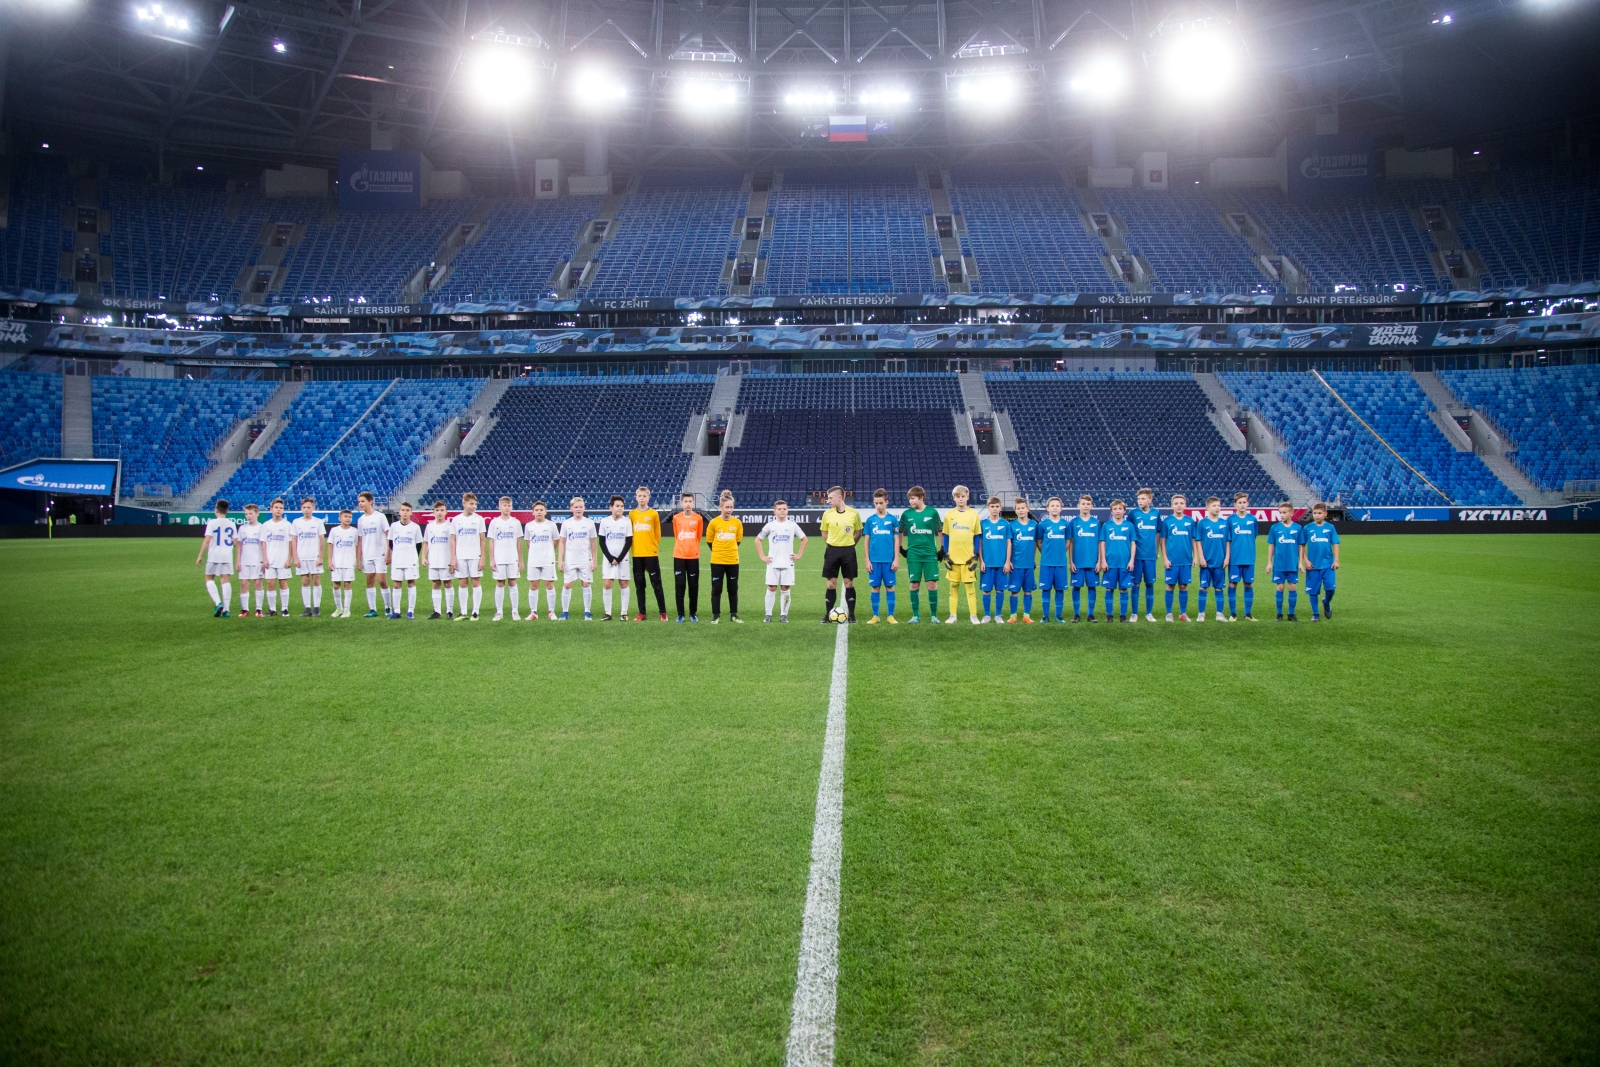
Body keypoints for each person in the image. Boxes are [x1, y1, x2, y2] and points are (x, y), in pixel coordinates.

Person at [758, 499, 807, 623]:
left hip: (788, 562)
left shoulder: (792, 525)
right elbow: (758, 540)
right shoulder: (770, 525)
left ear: (787, 511)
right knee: (772, 587)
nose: (782, 511)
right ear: (774, 511)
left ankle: (783, 614)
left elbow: (804, 539)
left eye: (784, 509)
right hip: (772, 562)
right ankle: (768, 614)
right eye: (779, 509)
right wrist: (762, 556)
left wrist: (799, 554)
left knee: (785, 588)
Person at [897, 486, 942, 623]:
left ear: (921, 498)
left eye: (913, 498)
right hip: (913, 554)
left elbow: (940, 531)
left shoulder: (933, 513)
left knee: (931, 584)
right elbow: (900, 531)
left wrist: (943, 549)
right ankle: (915, 615)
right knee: (914, 584)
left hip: (929, 554)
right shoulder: (906, 514)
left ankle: (933, 615)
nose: (910, 501)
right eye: (909, 499)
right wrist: (900, 548)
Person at [819, 486, 863, 623]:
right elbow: (824, 533)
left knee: (848, 583)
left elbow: (858, 532)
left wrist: (850, 545)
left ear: (840, 497)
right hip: (832, 551)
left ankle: (852, 615)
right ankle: (827, 615)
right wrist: (832, 545)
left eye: (831, 498)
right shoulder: (827, 514)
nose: (828, 500)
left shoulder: (854, 513)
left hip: (848, 551)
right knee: (831, 584)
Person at [940, 484, 982, 625]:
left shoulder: (973, 515)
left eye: (963, 496)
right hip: (953, 558)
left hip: (968, 558)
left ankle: (973, 615)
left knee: (970, 587)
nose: (961, 499)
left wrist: (975, 555)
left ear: (967, 497)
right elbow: (945, 535)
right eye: (958, 497)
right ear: (954, 498)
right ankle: (953, 615)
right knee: (953, 586)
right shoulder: (949, 515)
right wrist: (946, 554)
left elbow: (977, 536)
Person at [629, 486, 668, 622]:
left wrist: (653, 548)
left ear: (648, 498)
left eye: (644, 496)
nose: (641, 498)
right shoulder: (632, 514)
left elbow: (657, 534)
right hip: (637, 554)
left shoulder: (653, 514)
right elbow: (630, 535)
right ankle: (642, 613)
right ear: (636, 497)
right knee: (640, 585)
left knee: (657, 584)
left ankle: (663, 612)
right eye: (639, 496)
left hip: (651, 554)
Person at [862, 488, 900, 624]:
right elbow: (866, 541)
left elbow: (897, 540)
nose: (878, 506)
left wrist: (896, 558)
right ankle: (875, 616)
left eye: (881, 503)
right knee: (875, 587)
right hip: (874, 560)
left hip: (889, 561)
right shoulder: (870, 520)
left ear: (886, 502)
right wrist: (867, 560)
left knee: (890, 587)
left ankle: (890, 616)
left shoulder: (893, 520)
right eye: (876, 503)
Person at [706, 491, 744, 624]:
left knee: (733, 589)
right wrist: (719, 551)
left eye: (731, 507)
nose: (729, 510)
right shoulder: (714, 523)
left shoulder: (737, 523)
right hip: (717, 561)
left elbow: (738, 540)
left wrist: (729, 551)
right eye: (727, 507)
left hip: (733, 561)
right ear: (720, 507)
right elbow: (709, 541)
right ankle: (716, 615)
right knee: (716, 589)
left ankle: (734, 615)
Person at [1159, 494, 1197, 622]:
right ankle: (1169, 613)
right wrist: (1165, 558)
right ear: (1172, 506)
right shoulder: (1167, 521)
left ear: (1185, 505)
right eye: (1176, 503)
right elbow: (1162, 541)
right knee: (1170, 586)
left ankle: (1183, 613)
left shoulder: (1190, 521)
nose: (1179, 505)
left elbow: (1193, 540)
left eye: (1181, 503)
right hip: (1172, 560)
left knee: (1183, 586)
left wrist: (1195, 556)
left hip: (1186, 560)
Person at [559, 497, 598, 620]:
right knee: (567, 585)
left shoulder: (589, 523)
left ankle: (587, 612)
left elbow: (593, 542)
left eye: (581, 507)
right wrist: (560, 559)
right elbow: (562, 542)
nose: (578, 509)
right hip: (570, 559)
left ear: (584, 508)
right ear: (571, 508)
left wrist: (594, 559)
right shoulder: (566, 523)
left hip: (585, 559)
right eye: (576, 507)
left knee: (586, 584)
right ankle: (565, 612)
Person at [1099, 499, 1137, 623]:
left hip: (1124, 563)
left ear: (1124, 510)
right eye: (1115, 509)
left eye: (1120, 509)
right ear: (1111, 511)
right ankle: (1109, 616)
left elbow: (1133, 543)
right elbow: (1102, 543)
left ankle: (1122, 616)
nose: (1117, 511)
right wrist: (1103, 560)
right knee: (1109, 588)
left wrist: (1131, 560)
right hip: (1110, 563)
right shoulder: (1107, 525)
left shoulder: (1129, 526)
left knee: (1123, 589)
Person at [197, 498, 236, 617]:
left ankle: (218, 603)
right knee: (226, 579)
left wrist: (200, 555)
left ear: (216, 510)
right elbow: (235, 542)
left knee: (209, 578)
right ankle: (227, 609)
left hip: (214, 555)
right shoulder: (232, 523)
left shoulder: (212, 523)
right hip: (227, 556)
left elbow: (207, 539)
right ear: (227, 511)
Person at [1301, 503, 1341, 621]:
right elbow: (1302, 546)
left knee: (1330, 588)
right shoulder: (1307, 528)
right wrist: (1306, 560)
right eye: (1315, 513)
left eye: (1319, 513)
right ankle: (1316, 614)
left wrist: (1336, 560)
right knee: (1313, 591)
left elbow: (1335, 544)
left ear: (1325, 514)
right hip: (1313, 565)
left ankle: (1326, 602)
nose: (1317, 516)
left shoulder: (1330, 528)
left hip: (1328, 564)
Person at [355, 491, 391, 618]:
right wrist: (358, 559)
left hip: (380, 553)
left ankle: (387, 607)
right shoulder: (360, 520)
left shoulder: (380, 517)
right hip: (367, 554)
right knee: (369, 581)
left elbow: (388, 535)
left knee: (381, 581)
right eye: (359, 501)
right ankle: (372, 609)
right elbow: (360, 540)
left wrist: (388, 552)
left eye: (363, 501)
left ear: (371, 501)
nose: (360, 504)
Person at [1196, 496, 1231, 623]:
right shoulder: (1202, 523)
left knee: (1219, 588)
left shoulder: (1224, 523)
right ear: (1207, 508)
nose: (1217, 508)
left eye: (1218, 505)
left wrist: (1227, 557)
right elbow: (1198, 541)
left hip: (1220, 561)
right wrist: (1201, 557)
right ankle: (1201, 613)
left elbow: (1227, 541)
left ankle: (1219, 614)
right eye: (1214, 506)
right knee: (1203, 587)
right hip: (1206, 562)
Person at [599, 495, 634, 622]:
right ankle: (607, 613)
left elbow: (629, 541)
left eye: (622, 506)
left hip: (622, 559)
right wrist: (610, 557)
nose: (620, 508)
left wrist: (619, 558)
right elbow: (602, 541)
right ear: (611, 507)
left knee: (624, 583)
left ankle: (624, 613)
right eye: (617, 506)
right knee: (607, 584)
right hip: (608, 559)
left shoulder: (627, 521)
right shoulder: (605, 522)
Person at [488, 496, 523, 621]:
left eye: (509, 505)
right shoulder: (494, 522)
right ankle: (499, 612)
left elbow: (519, 542)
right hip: (499, 558)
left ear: (511, 507)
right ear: (499, 507)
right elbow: (491, 542)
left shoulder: (516, 522)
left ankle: (515, 611)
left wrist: (521, 560)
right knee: (500, 583)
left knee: (513, 582)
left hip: (512, 558)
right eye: (504, 505)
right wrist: (491, 559)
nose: (507, 507)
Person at [452, 492, 487, 621]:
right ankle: (463, 612)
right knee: (462, 582)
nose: (474, 506)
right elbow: (453, 539)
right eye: (471, 504)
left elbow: (483, 540)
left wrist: (483, 557)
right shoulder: (456, 520)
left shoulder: (479, 519)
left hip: (475, 555)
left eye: (475, 504)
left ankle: (475, 612)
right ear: (464, 503)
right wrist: (453, 558)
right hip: (461, 555)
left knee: (476, 581)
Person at [671, 492, 705, 622]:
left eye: (690, 501)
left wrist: (692, 547)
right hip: (679, 556)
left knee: (693, 586)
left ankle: (692, 613)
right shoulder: (676, 518)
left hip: (693, 556)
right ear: (681, 503)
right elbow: (676, 535)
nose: (688, 504)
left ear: (693, 503)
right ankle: (680, 614)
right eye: (685, 501)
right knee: (680, 585)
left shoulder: (698, 518)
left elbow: (698, 536)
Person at [523, 502, 559, 621]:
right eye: (537, 510)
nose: (539, 511)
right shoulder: (528, 526)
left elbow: (556, 541)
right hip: (533, 560)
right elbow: (528, 542)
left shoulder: (551, 525)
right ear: (533, 512)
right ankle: (533, 612)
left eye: (541, 509)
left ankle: (551, 612)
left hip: (548, 559)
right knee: (533, 585)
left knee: (549, 584)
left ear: (545, 512)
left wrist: (548, 551)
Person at [978, 495, 1012, 624]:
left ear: (1000, 508)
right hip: (987, 563)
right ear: (988, 508)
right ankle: (987, 615)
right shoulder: (983, 524)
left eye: (997, 506)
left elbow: (1009, 543)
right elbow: (979, 544)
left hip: (1001, 563)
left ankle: (998, 615)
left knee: (1000, 589)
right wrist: (981, 561)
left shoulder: (1005, 524)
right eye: (992, 507)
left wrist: (1007, 561)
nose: (994, 509)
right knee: (986, 590)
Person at [1036, 496, 1071, 623]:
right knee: (1046, 589)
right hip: (1046, 562)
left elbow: (1068, 542)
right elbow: (1039, 542)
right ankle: (1045, 615)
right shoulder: (1043, 525)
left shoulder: (1066, 524)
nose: (1055, 508)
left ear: (1061, 508)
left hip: (1061, 562)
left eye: (1057, 506)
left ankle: (1058, 615)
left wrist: (1061, 553)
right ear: (1047, 508)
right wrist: (1045, 553)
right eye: (1052, 506)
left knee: (1060, 589)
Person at [1267, 502, 1304, 621]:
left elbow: (1300, 546)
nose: (1282, 515)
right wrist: (1269, 562)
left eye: (1284, 512)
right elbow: (1271, 546)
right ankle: (1279, 614)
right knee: (1280, 588)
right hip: (1279, 564)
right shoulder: (1275, 528)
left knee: (1292, 587)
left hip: (1292, 564)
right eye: (1280, 513)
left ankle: (1291, 614)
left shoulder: (1297, 528)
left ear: (1291, 513)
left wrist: (1301, 562)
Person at [387, 502, 423, 619]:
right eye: (403, 510)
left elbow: (418, 545)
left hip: (411, 560)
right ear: (399, 512)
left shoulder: (415, 527)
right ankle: (396, 611)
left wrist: (413, 556)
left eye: (408, 510)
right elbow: (391, 543)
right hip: (397, 559)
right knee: (397, 584)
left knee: (411, 583)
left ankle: (410, 610)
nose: (405, 512)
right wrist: (397, 553)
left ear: (411, 513)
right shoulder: (394, 526)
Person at [1130, 488, 1161, 622]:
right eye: (1138, 499)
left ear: (1150, 500)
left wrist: (1156, 551)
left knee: (1149, 584)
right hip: (1136, 556)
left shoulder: (1156, 513)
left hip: (1150, 555)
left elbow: (1158, 533)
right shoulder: (1133, 514)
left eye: (1143, 499)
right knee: (1135, 584)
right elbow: (1129, 535)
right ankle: (1134, 613)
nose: (1140, 501)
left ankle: (1149, 613)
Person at [1069, 494, 1102, 622]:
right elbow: (1071, 542)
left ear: (1092, 506)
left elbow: (1100, 543)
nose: (1085, 506)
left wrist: (1099, 561)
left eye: (1088, 504)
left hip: (1092, 561)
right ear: (1078, 505)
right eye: (1083, 504)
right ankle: (1076, 614)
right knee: (1076, 587)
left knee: (1092, 587)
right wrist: (1071, 561)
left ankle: (1090, 614)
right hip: (1077, 561)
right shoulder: (1074, 522)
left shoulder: (1096, 522)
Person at [1227, 492, 1259, 622]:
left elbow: (1254, 537)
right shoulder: (1230, 520)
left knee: (1248, 584)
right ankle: (1233, 613)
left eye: (1244, 502)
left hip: (1249, 557)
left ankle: (1248, 613)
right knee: (1233, 584)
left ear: (1248, 503)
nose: (1242, 505)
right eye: (1239, 503)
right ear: (1235, 504)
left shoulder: (1253, 519)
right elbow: (1228, 540)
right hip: (1235, 558)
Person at [292, 497, 326, 617]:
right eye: (304, 507)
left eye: (309, 507)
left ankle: (316, 607)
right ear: (301, 508)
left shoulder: (318, 522)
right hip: (302, 556)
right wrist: (295, 557)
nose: (306, 509)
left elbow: (322, 540)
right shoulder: (296, 522)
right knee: (305, 581)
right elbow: (294, 541)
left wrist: (320, 557)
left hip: (314, 556)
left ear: (313, 508)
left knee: (316, 580)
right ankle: (307, 608)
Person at [260, 498, 294, 617]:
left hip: (283, 559)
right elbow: (263, 543)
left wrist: (289, 558)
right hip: (270, 559)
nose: (278, 510)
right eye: (276, 508)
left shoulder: (287, 525)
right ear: (271, 509)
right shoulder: (266, 525)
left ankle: (284, 608)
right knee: (270, 583)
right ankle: (272, 609)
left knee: (283, 582)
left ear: (283, 510)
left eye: (281, 508)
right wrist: (264, 558)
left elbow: (291, 543)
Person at [1007, 497, 1039, 623]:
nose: (1021, 510)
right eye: (1018, 508)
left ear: (1027, 509)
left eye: (1023, 508)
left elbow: (1035, 543)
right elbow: (1009, 544)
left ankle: (1026, 615)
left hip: (1029, 564)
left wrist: (1034, 559)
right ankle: (1013, 615)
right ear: (1015, 510)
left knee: (1028, 591)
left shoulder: (1034, 525)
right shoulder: (1012, 525)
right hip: (1016, 564)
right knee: (1014, 591)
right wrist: (1008, 561)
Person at [422, 501, 456, 619]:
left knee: (448, 583)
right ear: (433, 512)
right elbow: (426, 542)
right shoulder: (430, 526)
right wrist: (423, 557)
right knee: (435, 583)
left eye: (442, 510)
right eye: (437, 510)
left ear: (446, 512)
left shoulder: (450, 526)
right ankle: (437, 611)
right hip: (433, 560)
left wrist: (453, 559)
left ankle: (449, 611)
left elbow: (453, 543)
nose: (439, 513)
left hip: (445, 560)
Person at [326, 509, 360, 617]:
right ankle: (338, 608)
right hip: (337, 562)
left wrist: (357, 561)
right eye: (345, 516)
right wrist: (329, 561)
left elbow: (357, 546)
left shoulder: (354, 531)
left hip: (349, 562)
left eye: (350, 517)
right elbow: (330, 546)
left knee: (347, 584)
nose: (348, 519)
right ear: (340, 518)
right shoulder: (334, 530)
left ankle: (347, 610)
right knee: (336, 585)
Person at [234, 503, 264, 617]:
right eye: (246, 514)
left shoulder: (262, 528)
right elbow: (239, 545)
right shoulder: (242, 528)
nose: (248, 516)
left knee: (258, 583)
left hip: (257, 560)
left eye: (250, 513)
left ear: (257, 513)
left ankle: (259, 610)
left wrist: (264, 560)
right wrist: (237, 561)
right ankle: (245, 610)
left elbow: (263, 545)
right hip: (244, 560)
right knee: (244, 583)